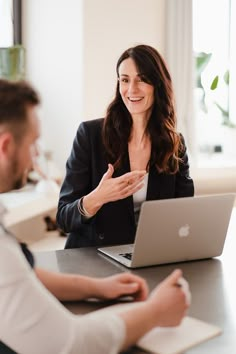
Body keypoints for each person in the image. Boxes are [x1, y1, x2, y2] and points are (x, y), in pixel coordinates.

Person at [0, 79, 191, 353]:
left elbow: (22, 274)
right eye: (33, 144)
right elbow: (72, 345)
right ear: (6, 147)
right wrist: (156, 311)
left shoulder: (173, 142)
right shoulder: (91, 135)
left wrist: (97, 288)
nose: (37, 156)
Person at [57, 44, 194, 249]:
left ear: (157, 84)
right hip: (93, 257)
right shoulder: (90, 134)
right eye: (125, 80)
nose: (131, 89)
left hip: (148, 255)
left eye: (141, 79)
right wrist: (98, 197)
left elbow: (185, 213)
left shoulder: (174, 144)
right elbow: (63, 218)